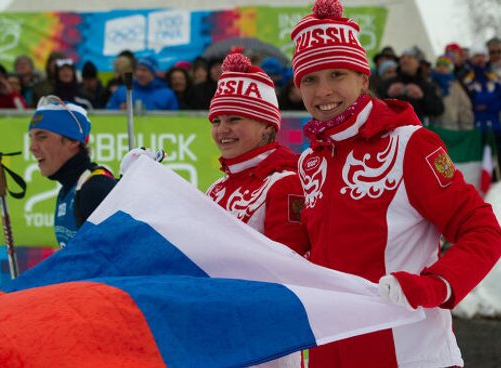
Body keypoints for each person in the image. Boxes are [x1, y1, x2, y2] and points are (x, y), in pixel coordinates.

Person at [289, 0, 501, 367]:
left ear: (363, 78)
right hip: (330, 351)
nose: (322, 91)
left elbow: (482, 229)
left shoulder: (411, 145)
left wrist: (436, 284)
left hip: (409, 353)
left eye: (337, 74)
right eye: (310, 79)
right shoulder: (309, 161)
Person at [205, 52, 308, 368]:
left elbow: (289, 272)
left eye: (235, 119)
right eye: (217, 121)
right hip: (218, 336)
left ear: (267, 126)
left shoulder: (285, 183)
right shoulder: (215, 189)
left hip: (267, 343)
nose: (223, 130)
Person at [29, 95, 117, 248]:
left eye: (42, 137)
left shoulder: (96, 189)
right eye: (31, 138)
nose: (32, 147)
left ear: (73, 140)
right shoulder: (68, 189)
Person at [106, 56, 179, 111]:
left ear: (153, 74)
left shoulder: (167, 94)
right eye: (138, 69)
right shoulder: (122, 91)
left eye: (144, 70)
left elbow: (176, 121)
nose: (140, 73)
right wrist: (119, 110)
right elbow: (107, 115)